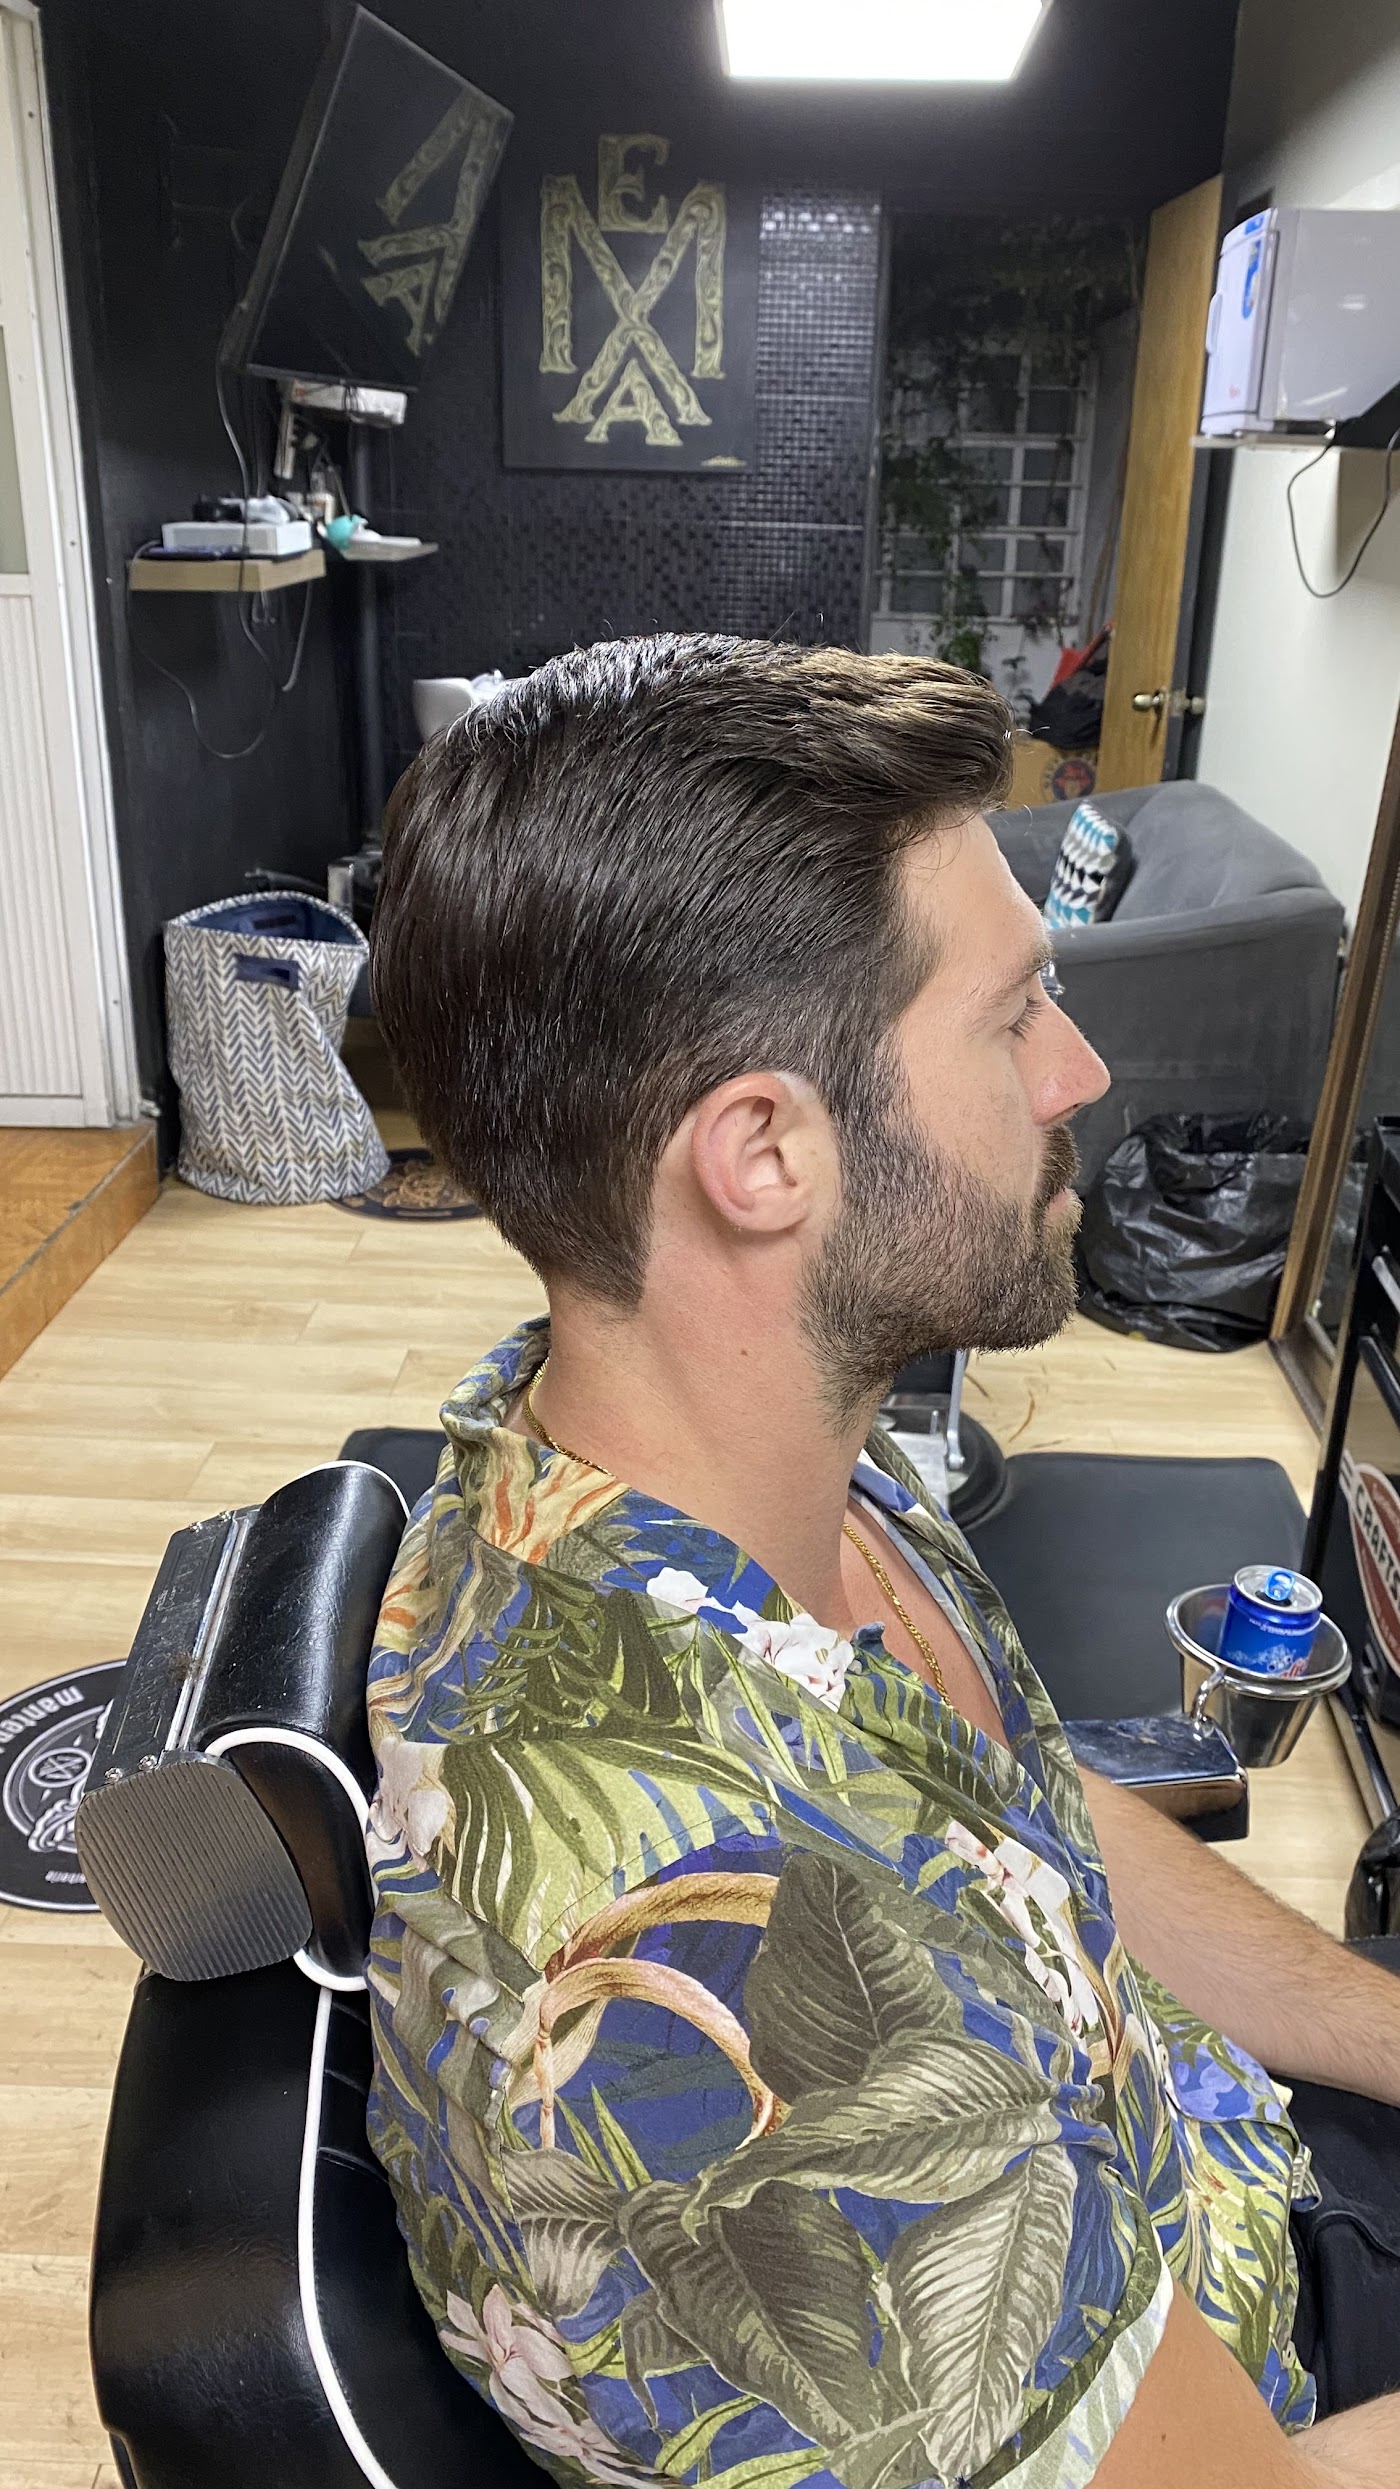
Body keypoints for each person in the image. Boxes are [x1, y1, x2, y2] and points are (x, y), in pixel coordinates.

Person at [365, 635, 1400, 2489]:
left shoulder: (721, 1464)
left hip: (1207, 2159)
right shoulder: (739, 2029)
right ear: (764, 1151)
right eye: (1013, 1017)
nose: (1080, 1068)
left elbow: (1015, 1833)